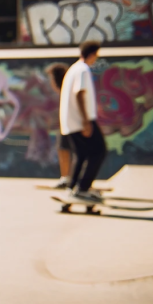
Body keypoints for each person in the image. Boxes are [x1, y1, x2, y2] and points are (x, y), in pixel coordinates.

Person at [60, 41, 106, 202]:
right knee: (99, 151)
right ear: (93, 54)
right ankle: (83, 188)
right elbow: (79, 93)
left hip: (70, 122)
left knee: (81, 154)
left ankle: (73, 187)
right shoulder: (83, 70)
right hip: (81, 121)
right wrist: (86, 121)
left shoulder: (73, 68)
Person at [44, 62, 72, 188]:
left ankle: (70, 178)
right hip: (67, 125)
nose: (51, 83)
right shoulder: (65, 90)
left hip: (73, 126)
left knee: (68, 150)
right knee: (63, 149)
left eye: (51, 80)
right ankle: (66, 177)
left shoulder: (69, 90)